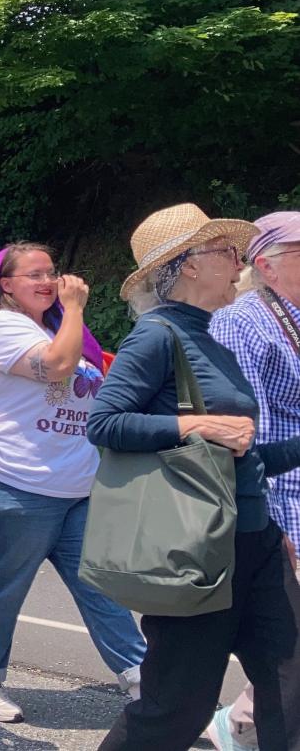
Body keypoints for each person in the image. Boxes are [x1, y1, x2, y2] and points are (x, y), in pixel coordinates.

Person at [88, 205, 300, 750]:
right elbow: (105, 422)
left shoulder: (212, 337)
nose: (239, 264)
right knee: (177, 707)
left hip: (255, 543)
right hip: (200, 551)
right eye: (226, 253)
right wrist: (195, 423)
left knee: (292, 689)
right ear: (186, 265)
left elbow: (242, 457)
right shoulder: (156, 337)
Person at [0, 243, 145, 724]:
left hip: (75, 485)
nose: (48, 281)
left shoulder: (62, 330)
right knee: (5, 586)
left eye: (52, 272)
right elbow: (57, 367)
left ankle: (143, 679)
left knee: (100, 585)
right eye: (34, 275)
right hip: (12, 481)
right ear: (6, 285)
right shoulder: (1, 326)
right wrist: (76, 307)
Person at [207, 212, 300, 749]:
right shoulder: (243, 322)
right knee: (282, 643)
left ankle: (240, 720)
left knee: (287, 646)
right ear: (267, 264)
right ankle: (238, 721)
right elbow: (247, 434)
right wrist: (268, 522)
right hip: (281, 504)